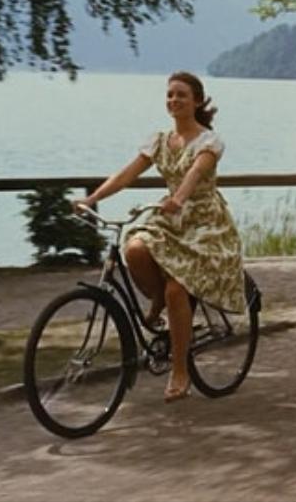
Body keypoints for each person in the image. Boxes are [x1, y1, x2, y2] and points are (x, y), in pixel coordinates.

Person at [74, 71, 246, 403]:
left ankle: (180, 370)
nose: (174, 100)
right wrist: (92, 199)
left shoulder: (208, 141)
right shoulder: (158, 140)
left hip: (205, 223)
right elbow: (126, 173)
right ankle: (159, 301)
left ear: (196, 101)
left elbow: (195, 174)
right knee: (135, 249)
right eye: (169, 95)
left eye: (181, 95)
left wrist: (179, 197)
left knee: (177, 289)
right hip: (169, 218)